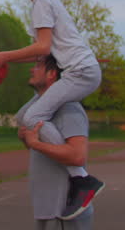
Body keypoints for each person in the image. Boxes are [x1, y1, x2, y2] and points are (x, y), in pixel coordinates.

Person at [0, 0, 103, 219]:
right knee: (26, 116)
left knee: (35, 116)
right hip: (78, 71)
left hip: (80, 72)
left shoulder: (42, 2)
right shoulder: (45, 3)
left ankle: (81, 179)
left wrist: (4, 57)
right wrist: (3, 59)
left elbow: (43, 46)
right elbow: (42, 53)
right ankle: (78, 176)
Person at [18, 54, 95, 229]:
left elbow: (77, 156)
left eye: (38, 65)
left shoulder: (68, 108)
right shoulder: (38, 109)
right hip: (47, 210)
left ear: (51, 74)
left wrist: (36, 144)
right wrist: (27, 140)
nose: (32, 69)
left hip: (66, 213)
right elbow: (44, 153)